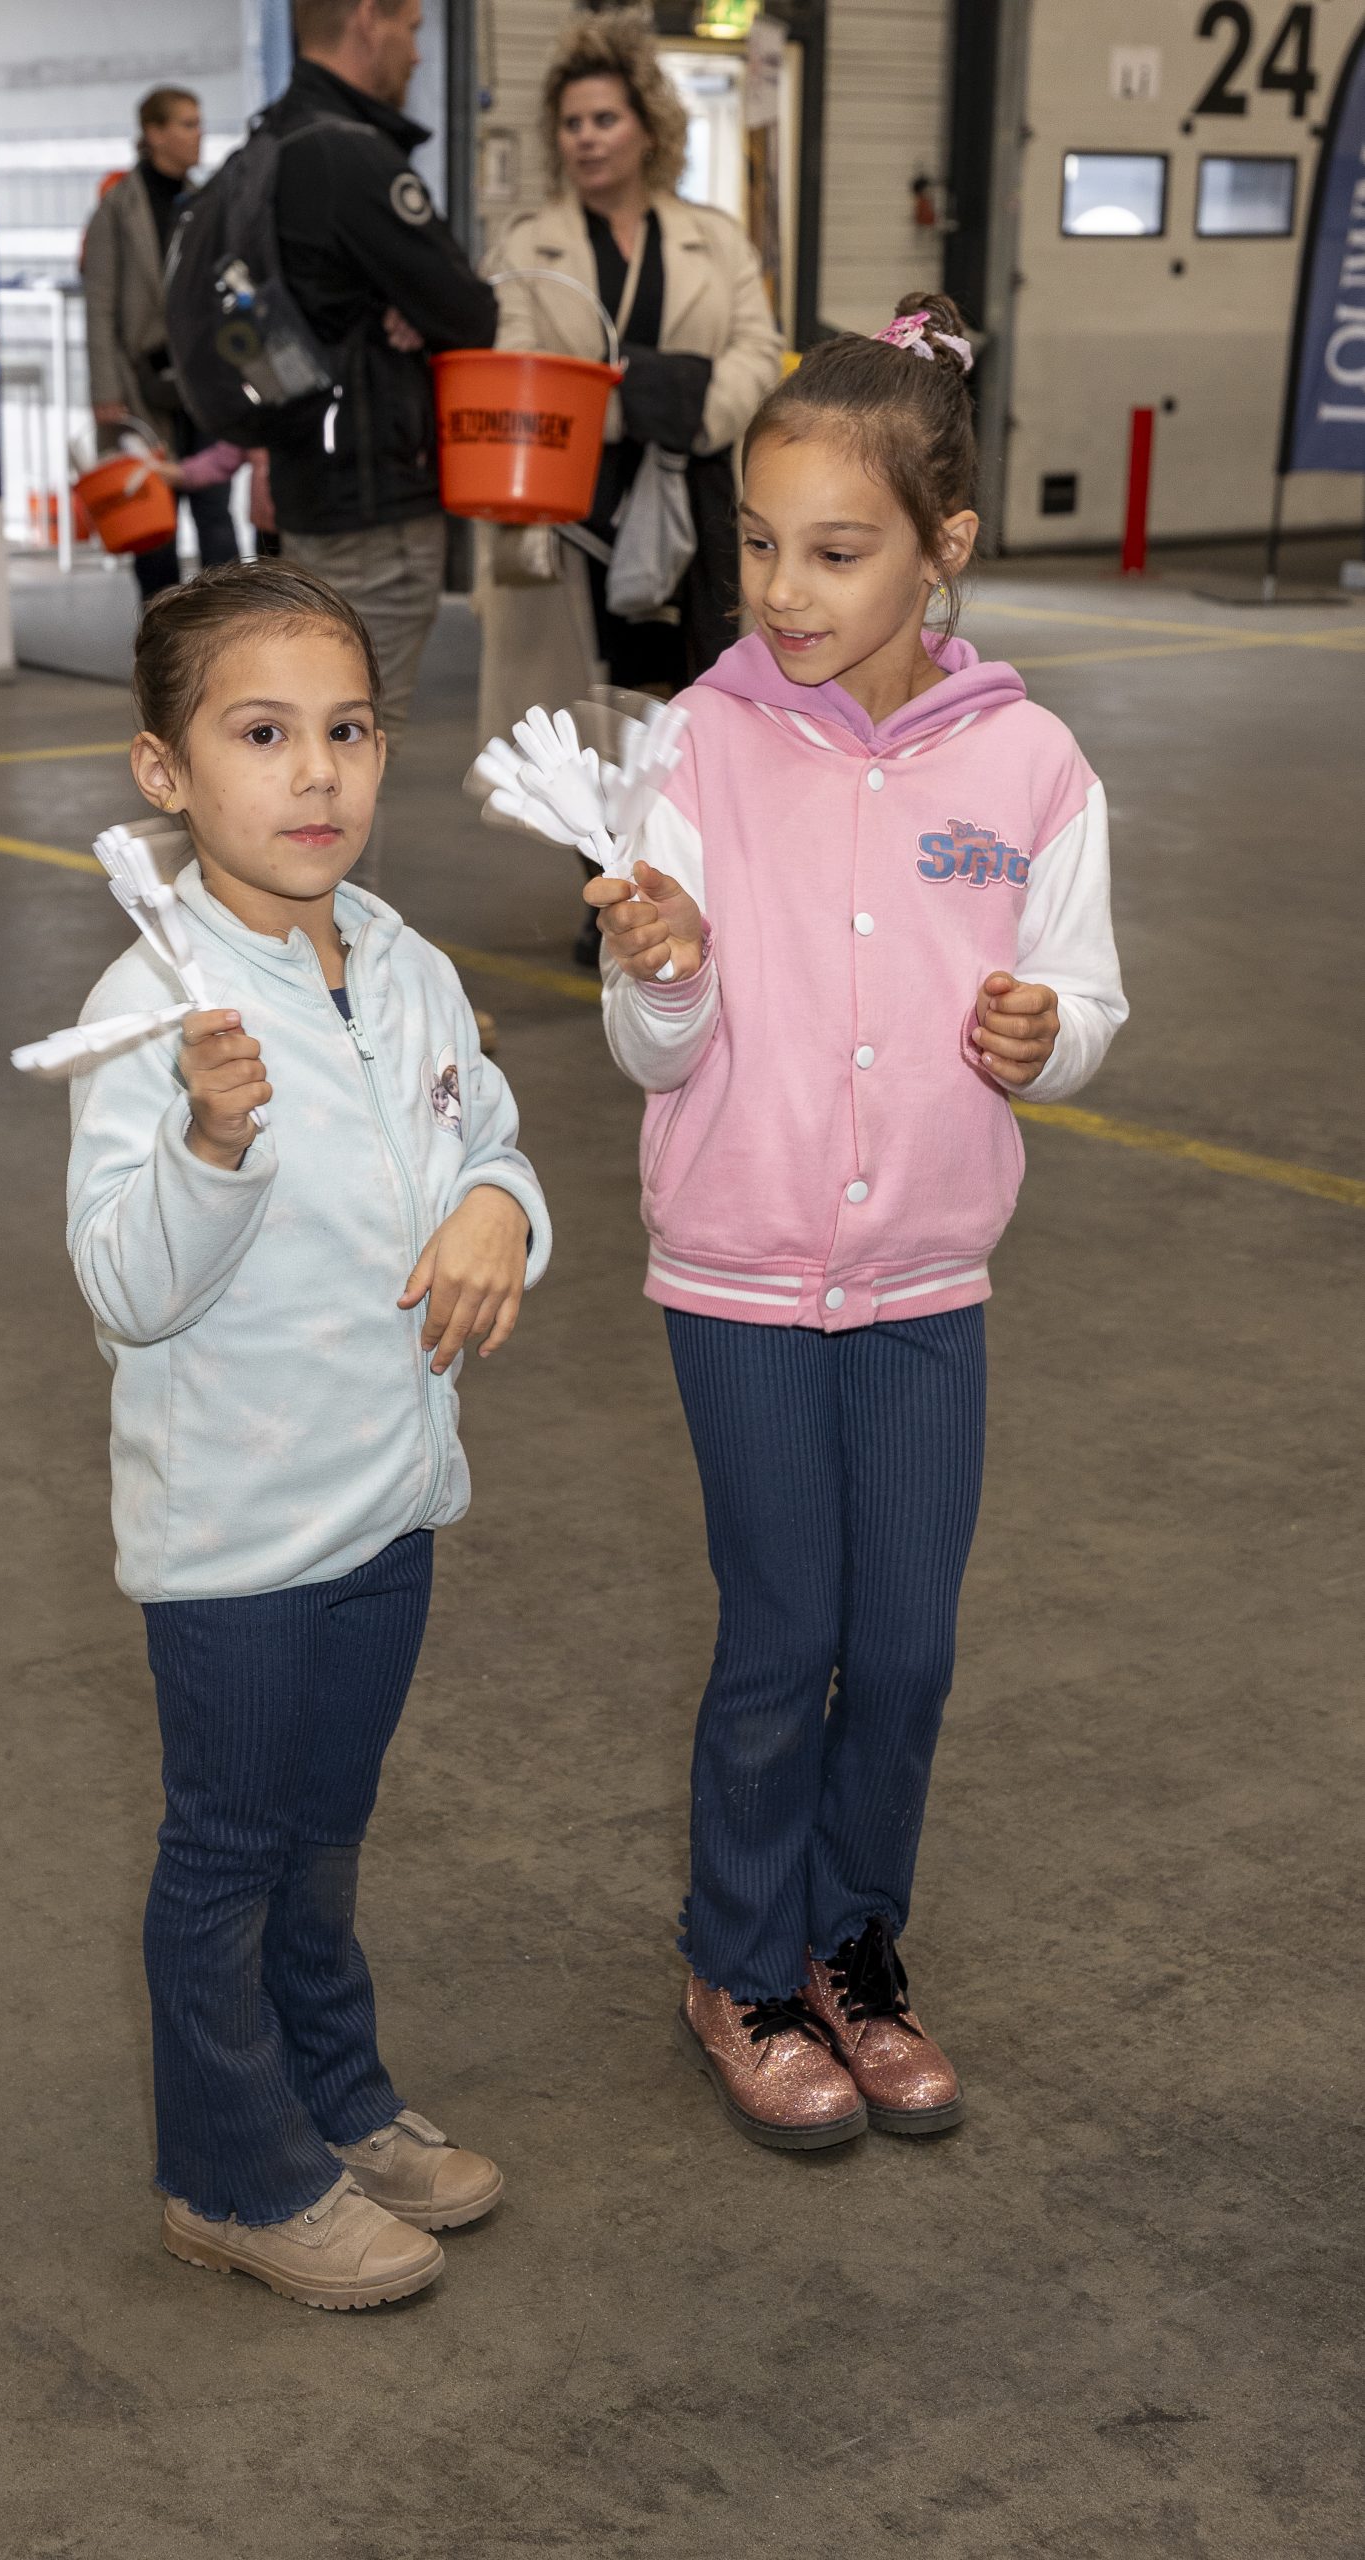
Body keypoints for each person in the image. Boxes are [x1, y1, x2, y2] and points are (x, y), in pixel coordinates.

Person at [586, 294, 1127, 2151]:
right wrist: (663, 971)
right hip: (734, 1277)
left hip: (924, 1280)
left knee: (900, 1649)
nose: (782, 590)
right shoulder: (696, 747)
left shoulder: (1030, 766)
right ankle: (737, 1963)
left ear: (940, 546)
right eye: (757, 545)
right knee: (778, 1634)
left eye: (835, 551)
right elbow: (648, 1047)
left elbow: (1081, 989)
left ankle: (849, 1946)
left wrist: (1052, 1037)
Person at [65, 561, 550, 2307]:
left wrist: (498, 1208)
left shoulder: (405, 963)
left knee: (322, 1842)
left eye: (346, 730)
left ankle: (332, 2098)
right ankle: (232, 2175)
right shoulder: (153, 1011)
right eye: (261, 735)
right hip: (240, 1536)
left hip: (388, 1505)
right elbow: (125, 1288)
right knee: (228, 1857)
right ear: (165, 770)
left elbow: (483, 1135)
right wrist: (207, 1146)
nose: (316, 772)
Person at [477, 8, 783, 959]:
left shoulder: (713, 238)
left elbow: (756, 351)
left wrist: (688, 411)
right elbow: (516, 371)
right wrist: (640, 398)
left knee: (688, 700)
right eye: (571, 123)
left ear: (648, 128)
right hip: (576, 515)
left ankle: (682, 881)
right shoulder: (526, 243)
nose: (585, 138)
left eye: (604, 119)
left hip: (696, 507)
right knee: (588, 713)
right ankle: (607, 893)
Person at [250, 0, 499, 756]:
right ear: (368, 20)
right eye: (412, 29)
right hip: (374, 511)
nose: (418, 54)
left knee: (312, 738)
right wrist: (420, 306)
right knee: (350, 755)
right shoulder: (350, 158)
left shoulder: (270, 141)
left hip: (309, 490)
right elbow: (469, 311)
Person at [82, 87, 237, 605]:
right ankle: (162, 632)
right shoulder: (116, 210)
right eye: (187, 124)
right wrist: (106, 391)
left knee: (214, 507)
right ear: (154, 134)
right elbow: (100, 305)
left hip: (205, 378)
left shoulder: (207, 204)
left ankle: (228, 625)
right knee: (152, 517)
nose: (199, 134)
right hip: (141, 384)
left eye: (199, 123)